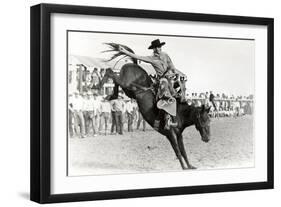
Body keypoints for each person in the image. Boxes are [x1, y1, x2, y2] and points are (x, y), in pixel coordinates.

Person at [118, 39, 181, 130]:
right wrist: (124, 51)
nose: (158, 49)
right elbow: (137, 57)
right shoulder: (151, 58)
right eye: (156, 47)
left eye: (159, 47)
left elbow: (171, 66)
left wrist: (173, 72)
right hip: (162, 80)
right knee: (166, 95)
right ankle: (167, 119)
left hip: (170, 78)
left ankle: (172, 118)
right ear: (153, 49)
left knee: (178, 94)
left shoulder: (165, 55)